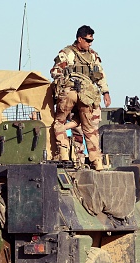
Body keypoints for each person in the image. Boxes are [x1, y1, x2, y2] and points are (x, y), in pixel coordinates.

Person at [50, 25, 111, 171]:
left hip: (72, 93)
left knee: (59, 122)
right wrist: (105, 93)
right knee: (90, 129)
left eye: (91, 41)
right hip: (86, 96)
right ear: (79, 39)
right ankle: (97, 162)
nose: (90, 43)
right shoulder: (90, 56)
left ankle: (64, 153)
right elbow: (100, 77)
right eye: (88, 40)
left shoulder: (67, 54)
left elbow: (55, 72)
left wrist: (106, 92)